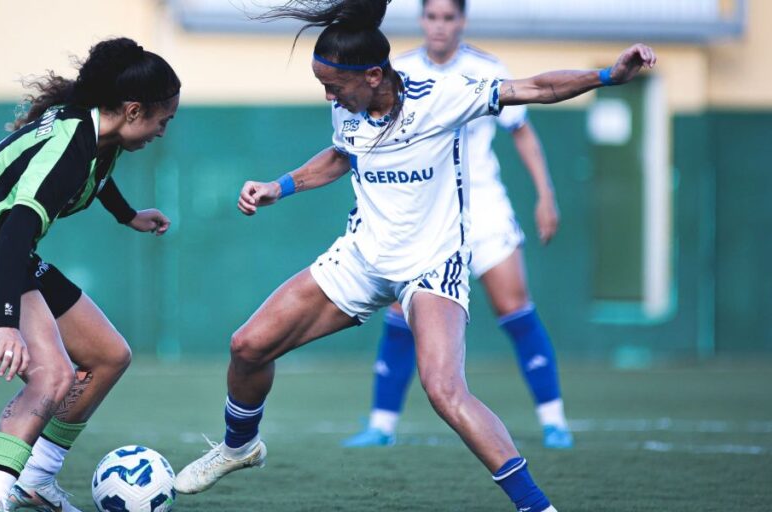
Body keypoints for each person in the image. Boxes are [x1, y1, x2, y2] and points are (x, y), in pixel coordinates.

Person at [173, 1, 655, 510]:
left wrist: (608, 76)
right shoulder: (347, 105)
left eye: (334, 85)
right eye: (323, 85)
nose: (328, 95)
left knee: (444, 390)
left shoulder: (442, 97)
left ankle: (537, 505)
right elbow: (342, 153)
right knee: (248, 346)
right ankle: (240, 447)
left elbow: (534, 88)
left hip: (432, 266)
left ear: (374, 75)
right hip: (362, 258)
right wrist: (281, 186)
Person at [0, 38, 179, 512]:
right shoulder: (69, 147)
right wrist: (7, 323)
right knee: (50, 375)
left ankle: (35, 479)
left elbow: (97, 177)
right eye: (163, 120)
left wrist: (128, 215)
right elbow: (14, 234)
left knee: (108, 355)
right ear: (132, 110)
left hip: (8, 252)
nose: (163, 131)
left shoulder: (99, 134)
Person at [342, 0, 573, 450]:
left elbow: (521, 130)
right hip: (425, 212)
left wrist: (546, 194)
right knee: (401, 312)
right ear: (421, 20)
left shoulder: (486, 69)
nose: (440, 26)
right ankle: (381, 424)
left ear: (462, 21)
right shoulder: (398, 70)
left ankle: (554, 421)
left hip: (484, 207)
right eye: (432, 16)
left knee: (514, 306)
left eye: (448, 17)